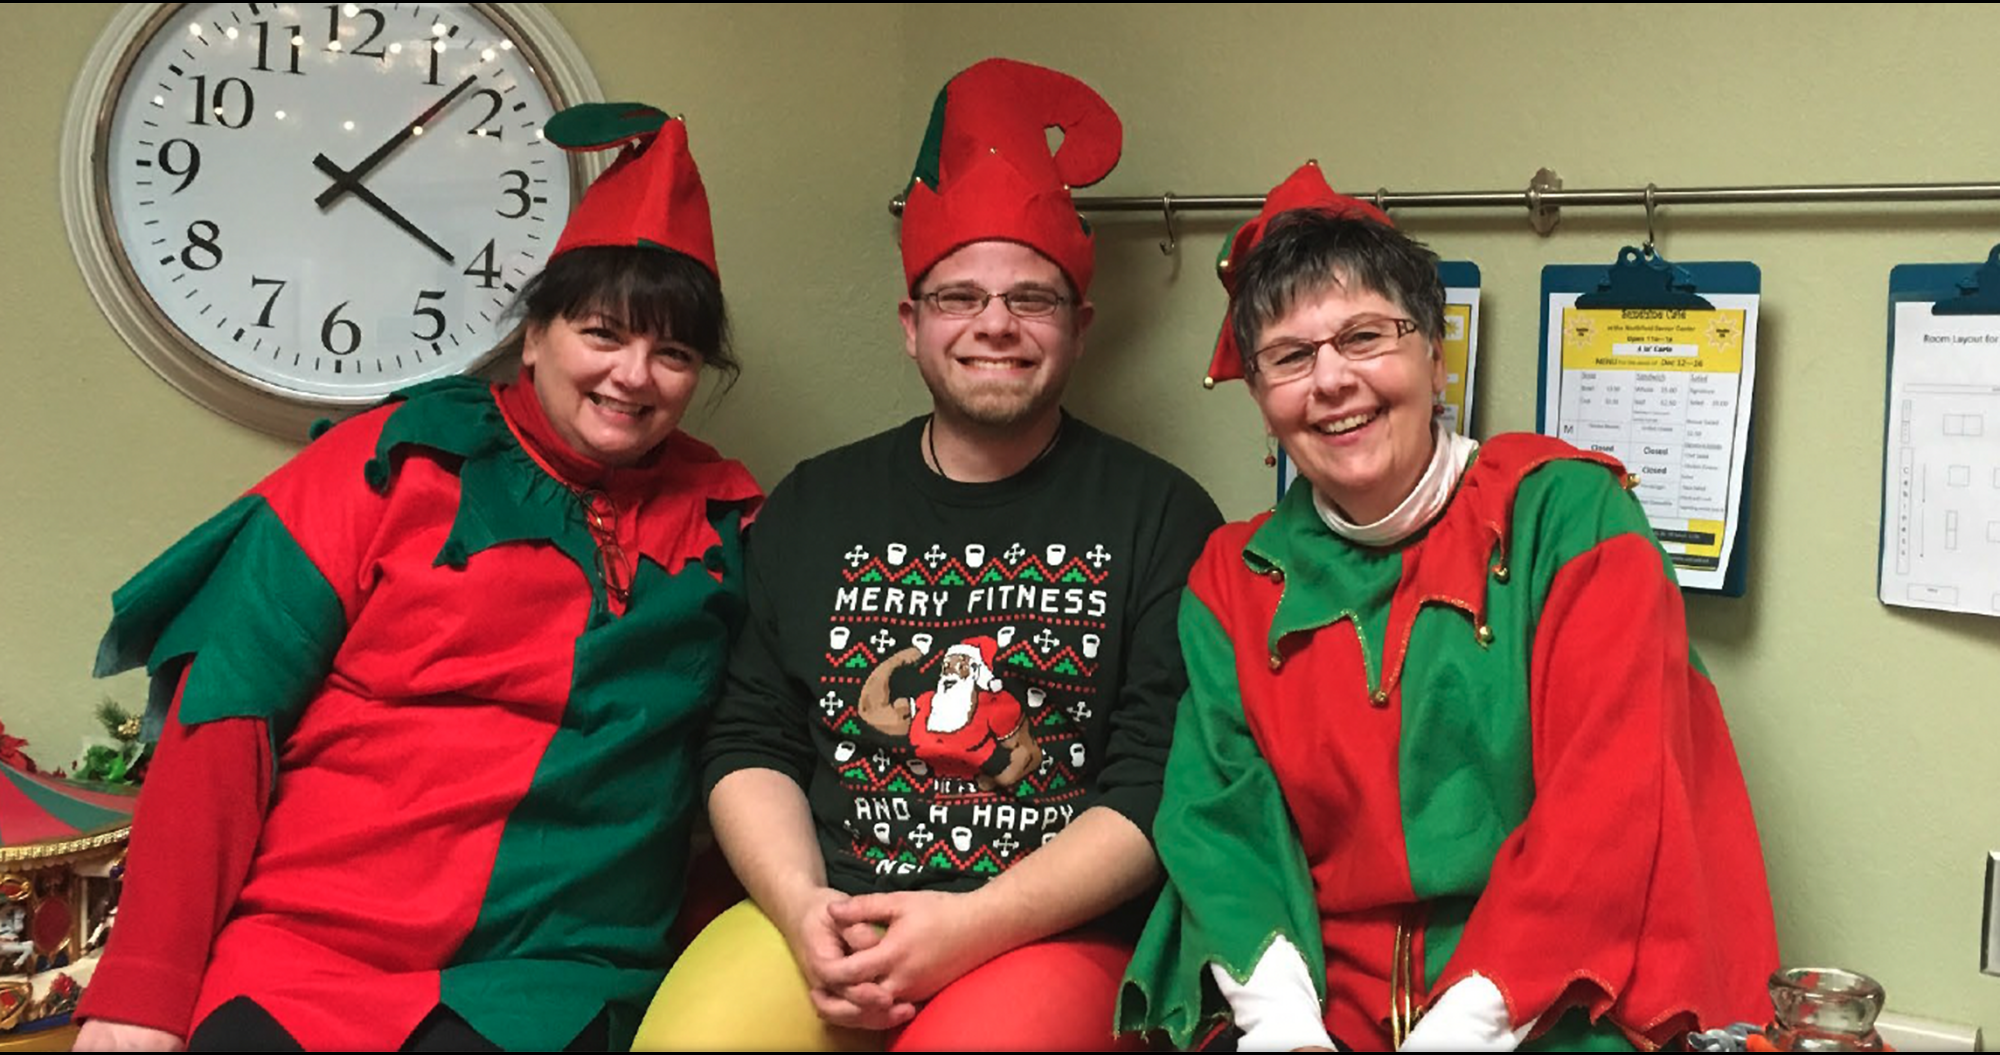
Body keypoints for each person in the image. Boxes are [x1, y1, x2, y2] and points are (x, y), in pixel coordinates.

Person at [72, 102, 762, 1052]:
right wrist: (144, 989)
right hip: (302, 961)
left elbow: (770, 748)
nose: (634, 375)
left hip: (551, 985)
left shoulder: (732, 525)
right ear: (534, 336)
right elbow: (225, 718)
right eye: (603, 333)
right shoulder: (384, 464)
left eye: (674, 353)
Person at [1115, 162, 1780, 1052]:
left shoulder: (1572, 518)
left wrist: (1464, 1026)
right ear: (1261, 402)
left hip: (1568, 996)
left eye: (1364, 337)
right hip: (1316, 1007)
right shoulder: (1231, 579)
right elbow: (1217, 818)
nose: (1331, 381)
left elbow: (1611, 801)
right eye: (1290, 356)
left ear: (1434, 353)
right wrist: (1287, 1029)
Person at [634, 58, 1222, 1051]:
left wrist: (968, 926)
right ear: (912, 327)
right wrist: (801, 909)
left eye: (1030, 300)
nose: (995, 324)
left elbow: (1153, 783)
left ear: (1076, 328)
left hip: (1050, 931)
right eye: (959, 298)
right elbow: (750, 739)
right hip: (828, 909)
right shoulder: (817, 502)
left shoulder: (1158, 513)